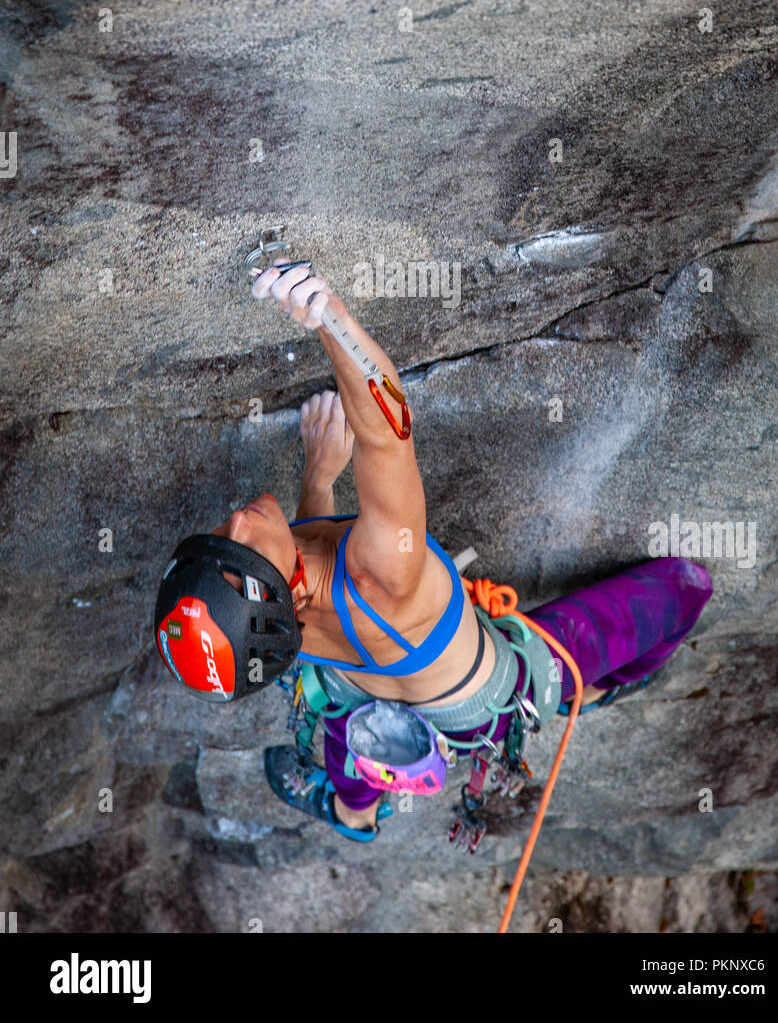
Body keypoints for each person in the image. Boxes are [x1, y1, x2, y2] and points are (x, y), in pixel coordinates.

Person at [155, 261, 713, 842]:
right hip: (476, 704)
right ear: (281, 592)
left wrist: (319, 476)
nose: (239, 520)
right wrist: (332, 319)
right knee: (686, 587)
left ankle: (354, 815)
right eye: (243, 550)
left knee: (337, 700)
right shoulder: (384, 573)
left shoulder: (269, 629)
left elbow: (305, 565)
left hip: (352, 688)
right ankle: (599, 689)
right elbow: (386, 429)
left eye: (221, 539)